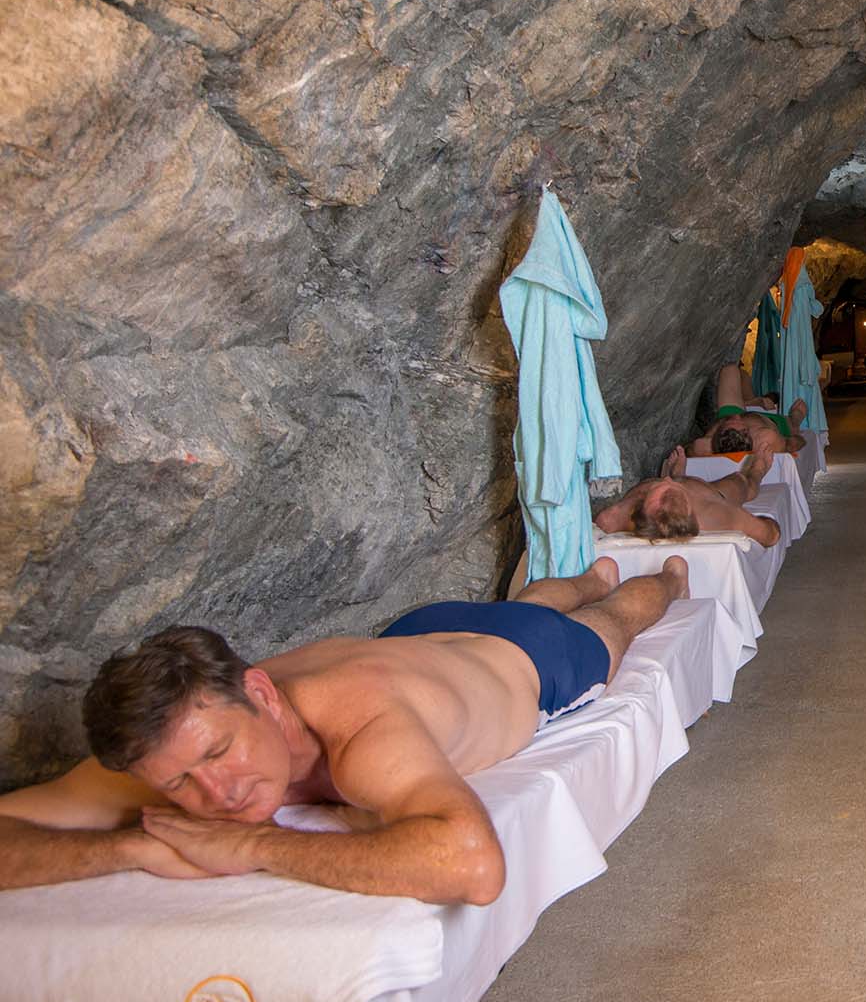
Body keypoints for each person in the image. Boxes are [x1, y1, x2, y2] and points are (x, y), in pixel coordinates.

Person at [0, 556, 690, 901]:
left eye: (219, 751)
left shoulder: (361, 734)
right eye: (180, 782)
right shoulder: (173, 737)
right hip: (414, 635)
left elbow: (474, 864)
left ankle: (659, 576)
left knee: (612, 620)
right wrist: (126, 851)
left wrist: (254, 844)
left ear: (262, 695)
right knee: (517, 601)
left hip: (524, 659)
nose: (218, 791)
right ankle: (584, 575)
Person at [595, 445, 782, 547]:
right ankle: (758, 471)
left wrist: (655, 488)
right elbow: (771, 535)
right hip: (711, 493)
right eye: (670, 485)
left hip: (672, 501)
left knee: (653, 486)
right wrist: (763, 523)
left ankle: (679, 475)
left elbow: (601, 523)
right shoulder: (715, 514)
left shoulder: (618, 516)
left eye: (664, 484)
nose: (667, 480)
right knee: (741, 482)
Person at [688, 363, 808, 456]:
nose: (737, 417)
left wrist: (724, 422)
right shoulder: (767, 438)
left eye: (728, 423)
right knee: (796, 415)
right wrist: (795, 425)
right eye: (740, 423)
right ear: (747, 432)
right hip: (770, 421)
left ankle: (751, 402)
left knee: (730, 370)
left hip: (731, 417)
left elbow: (689, 450)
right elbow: (798, 443)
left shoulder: (705, 445)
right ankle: (793, 421)